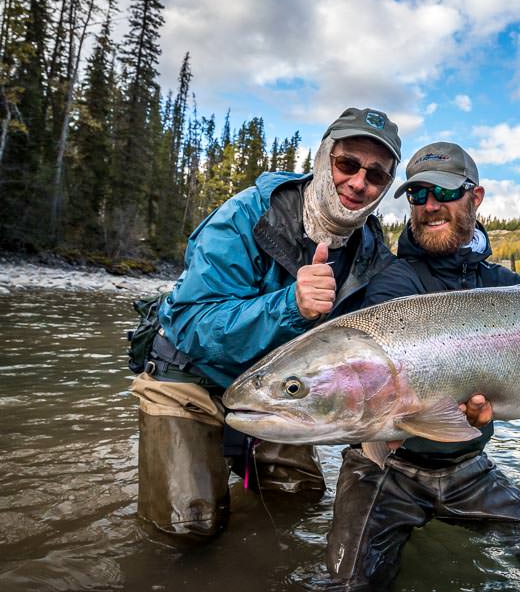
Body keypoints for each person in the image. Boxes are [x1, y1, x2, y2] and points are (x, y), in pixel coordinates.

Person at [129, 107, 403, 538]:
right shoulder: (246, 215)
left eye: (376, 175)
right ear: (323, 157)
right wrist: (291, 305)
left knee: (297, 498)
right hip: (188, 375)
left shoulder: (370, 251)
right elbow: (190, 321)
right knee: (187, 527)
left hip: (281, 390)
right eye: (347, 164)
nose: (358, 182)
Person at [325, 142, 520, 587]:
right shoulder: (391, 284)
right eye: (418, 195)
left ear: (475, 198)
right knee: (350, 584)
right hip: (384, 467)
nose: (430, 206)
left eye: (444, 193)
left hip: (467, 465)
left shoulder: (507, 288)